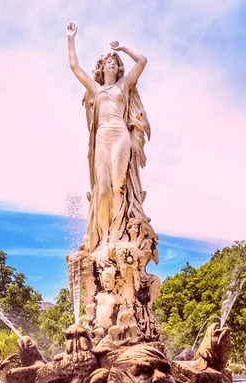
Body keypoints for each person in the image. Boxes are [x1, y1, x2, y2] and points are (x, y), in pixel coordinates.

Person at [67, 21, 152, 252]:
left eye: (115, 61)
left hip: (120, 136)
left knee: (118, 187)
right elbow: (74, 67)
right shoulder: (95, 90)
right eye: (108, 61)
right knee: (102, 189)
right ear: (101, 68)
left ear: (119, 68)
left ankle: (116, 235)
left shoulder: (124, 86)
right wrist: (71, 38)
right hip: (101, 138)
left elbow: (142, 61)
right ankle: (103, 238)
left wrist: (123, 47)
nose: (112, 63)